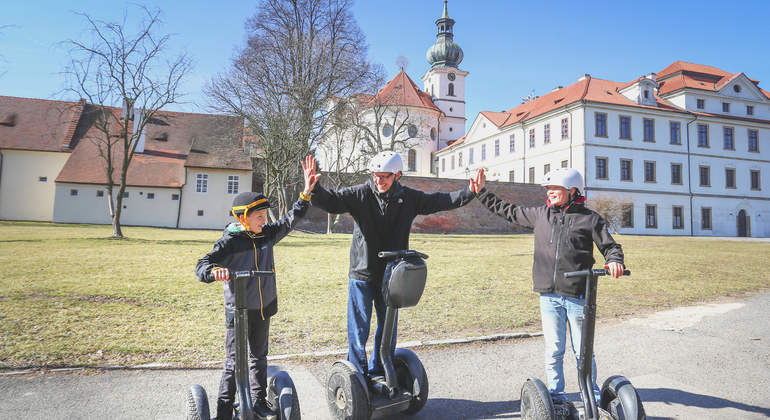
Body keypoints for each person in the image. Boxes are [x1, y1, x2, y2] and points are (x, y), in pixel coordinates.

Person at [305, 152, 480, 386]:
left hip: (392, 275)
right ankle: (358, 377)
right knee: (359, 329)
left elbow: (440, 201)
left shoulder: (409, 198)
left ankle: (379, 370)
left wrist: (469, 193)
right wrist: (315, 189)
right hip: (362, 273)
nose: (378, 181)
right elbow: (333, 201)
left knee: (387, 329)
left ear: (397, 175)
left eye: (384, 177)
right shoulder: (360, 193)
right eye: (375, 176)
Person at [472, 167, 624, 419]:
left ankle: (592, 399)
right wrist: (481, 193)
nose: (550, 193)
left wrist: (615, 260)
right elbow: (506, 210)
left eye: (556, 189)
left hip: (577, 295)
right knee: (554, 349)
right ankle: (557, 399)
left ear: (572, 191)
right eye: (548, 189)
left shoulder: (590, 219)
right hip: (549, 296)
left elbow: (610, 246)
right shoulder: (539, 215)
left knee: (583, 351)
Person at [195, 160, 320, 420]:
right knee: (233, 363)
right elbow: (203, 264)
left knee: (259, 358)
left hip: (264, 308)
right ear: (243, 218)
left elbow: (290, 219)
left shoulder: (266, 234)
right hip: (238, 312)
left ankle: (258, 400)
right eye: (260, 216)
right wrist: (212, 272)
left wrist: (305, 193)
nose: (265, 220)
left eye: (265, 216)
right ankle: (224, 409)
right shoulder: (229, 242)